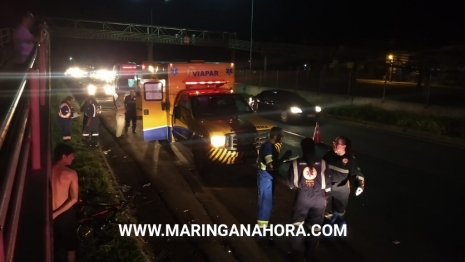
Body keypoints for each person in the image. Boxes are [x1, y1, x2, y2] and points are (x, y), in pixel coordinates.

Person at [288, 137, 331, 261]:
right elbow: (328, 187)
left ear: (302, 149)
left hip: (302, 199)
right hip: (319, 200)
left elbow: (291, 185)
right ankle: (310, 255)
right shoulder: (323, 163)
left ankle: (295, 254)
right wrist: (326, 202)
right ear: (314, 148)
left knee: (297, 225)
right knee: (315, 228)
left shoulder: (296, 163)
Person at [257, 126, 291, 235]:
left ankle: (264, 228)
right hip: (266, 178)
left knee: (267, 204)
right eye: (282, 135)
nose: (283, 137)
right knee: (265, 205)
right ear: (275, 137)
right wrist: (284, 158)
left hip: (268, 178)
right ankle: (261, 233)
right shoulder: (268, 148)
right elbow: (271, 165)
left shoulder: (271, 146)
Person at [323, 136, 365, 220]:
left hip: (341, 191)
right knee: (325, 208)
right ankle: (326, 225)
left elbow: (357, 174)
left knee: (339, 211)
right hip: (326, 188)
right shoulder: (328, 155)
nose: (334, 145)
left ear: (344, 146)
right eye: (334, 143)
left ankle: (337, 226)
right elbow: (320, 167)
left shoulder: (350, 160)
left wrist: (360, 186)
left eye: (337, 143)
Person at [51, 143, 79, 262]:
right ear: (64, 156)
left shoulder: (48, 169)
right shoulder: (71, 174)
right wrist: (56, 214)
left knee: (51, 244)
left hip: (49, 212)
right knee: (71, 247)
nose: (73, 158)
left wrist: (52, 214)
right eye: (71, 155)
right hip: (64, 214)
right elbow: (74, 199)